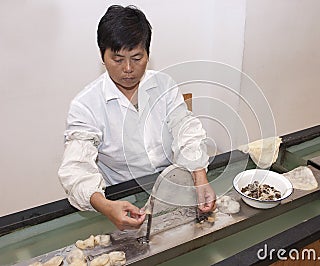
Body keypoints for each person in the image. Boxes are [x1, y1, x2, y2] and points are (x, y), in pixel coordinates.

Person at [58, 5, 216, 230]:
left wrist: (200, 176)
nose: (128, 69)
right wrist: (105, 205)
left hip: (171, 189)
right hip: (123, 201)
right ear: (102, 56)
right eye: (118, 59)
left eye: (137, 57)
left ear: (148, 55)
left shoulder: (164, 86)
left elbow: (185, 128)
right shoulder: (85, 105)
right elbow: (77, 168)